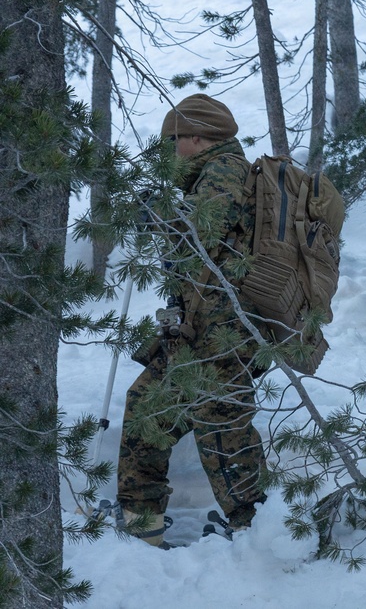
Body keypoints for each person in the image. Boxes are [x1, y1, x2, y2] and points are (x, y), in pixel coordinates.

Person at [115, 93, 266, 547]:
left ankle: (255, 532)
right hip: (198, 330)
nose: (168, 152)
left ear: (197, 138)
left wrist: (155, 213)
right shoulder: (206, 175)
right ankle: (141, 523)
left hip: (224, 333)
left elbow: (202, 227)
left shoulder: (226, 170)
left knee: (223, 431)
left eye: (172, 141)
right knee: (148, 407)